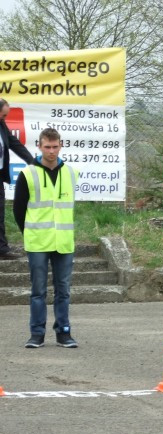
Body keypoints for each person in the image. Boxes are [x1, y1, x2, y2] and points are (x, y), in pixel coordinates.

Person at [13, 127, 79, 348]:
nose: (51, 151)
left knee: (63, 291)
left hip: (64, 242)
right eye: (47, 146)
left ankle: (64, 333)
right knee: (38, 291)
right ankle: (37, 334)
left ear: (61, 146)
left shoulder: (71, 172)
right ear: (39, 147)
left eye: (55, 146)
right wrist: (30, 233)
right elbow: (18, 210)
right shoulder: (28, 174)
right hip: (38, 242)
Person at [0, 98, 35, 260]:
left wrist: (32, 161)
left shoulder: (1, 124)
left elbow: (14, 143)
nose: (4, 118)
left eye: (5, 116)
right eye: (2, 114)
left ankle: (2, 249)